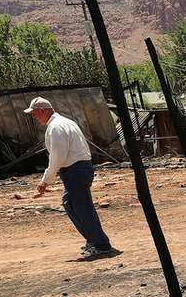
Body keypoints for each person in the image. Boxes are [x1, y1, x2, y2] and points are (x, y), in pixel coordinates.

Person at [25, 96, 118, 260]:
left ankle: (101, 245)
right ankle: (94, 240)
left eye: (35, 113)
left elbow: (57, 156)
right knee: (71, 204)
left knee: (83, 208)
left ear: (43, 110)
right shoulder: (65, 122)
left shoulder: (56, 127)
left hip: (75, 170)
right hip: (79, 169)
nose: (34, 117)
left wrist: (45, 180)